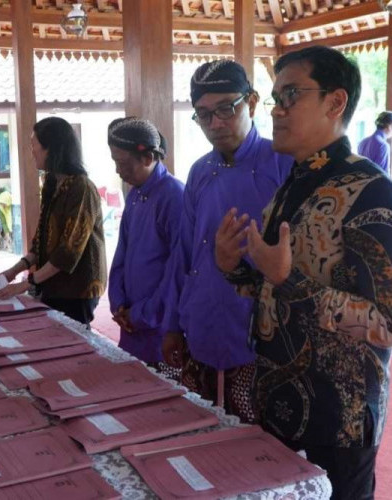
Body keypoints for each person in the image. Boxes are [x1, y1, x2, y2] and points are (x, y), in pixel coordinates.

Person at [216, 46, 392, 500]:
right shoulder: (293, 185)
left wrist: (286, 279)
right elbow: (272, 292)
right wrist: (234, 269)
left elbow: (385, 325)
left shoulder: (372, 191)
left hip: (339, 417)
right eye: (275, 96)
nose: (276, 109)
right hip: (278, 401)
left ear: (335, 102)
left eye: (291, 94)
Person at [160, 60, 292, 422]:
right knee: (198, 434)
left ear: (251, 103)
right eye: (203, 114)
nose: (215, 124)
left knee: (255, 448)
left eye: (225, 109)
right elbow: (183, 254)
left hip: (257, 335)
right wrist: (172, 324)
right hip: (200, 323)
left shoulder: (283, 164)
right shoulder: (200, 171)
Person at [0, 117, 107, 325]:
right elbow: (41, 240)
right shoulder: (51, 182)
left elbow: (68, 250)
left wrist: (26, 283)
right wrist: (11, 273)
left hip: (78, 287)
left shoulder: (81, 187)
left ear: (51, 149)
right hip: (52, 282)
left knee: (72, 341)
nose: (32, 152)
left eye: (34, 146)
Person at [107, 118, 184, 369]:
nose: (119, 171)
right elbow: (121, 254)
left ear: (148, 157)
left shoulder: (174, 197)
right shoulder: (135, 195)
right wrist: (118, 303)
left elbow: (176, 271)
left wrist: (141, 314)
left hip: (157, 329)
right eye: (115, 163)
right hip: (130, 323)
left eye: (124, 163)